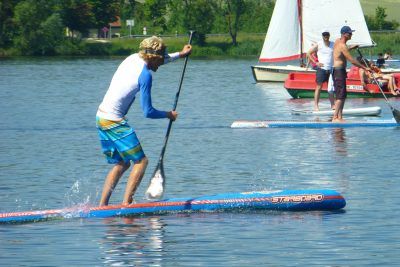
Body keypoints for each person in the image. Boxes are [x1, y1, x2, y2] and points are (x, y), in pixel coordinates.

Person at [96, 36, 192, 206]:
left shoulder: (133, 57)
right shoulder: (145, 76)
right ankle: (127, 203)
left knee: (122, 163)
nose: (160, 64)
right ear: (153, 58)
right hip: (114, 121)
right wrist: (168, 114)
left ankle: (102, 206)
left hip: (101, 117)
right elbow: (148, 112)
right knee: (141, 161)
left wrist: (181, 54)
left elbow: (162, 59)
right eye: (160, 60)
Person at [332, 26, 369, 122]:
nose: (351, 35)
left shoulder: (338, 41)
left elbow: (343, 50)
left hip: (339, 71)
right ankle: (335, 118)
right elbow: (352, 60)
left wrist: (351, 47)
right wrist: (364, 67)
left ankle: (340, 117)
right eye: (350, 33)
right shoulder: (342, 46)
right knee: (340, 95)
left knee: (342, 95)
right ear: (344, 34)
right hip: (338, 71)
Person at [307, 30, 334, 111]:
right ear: (322, 36)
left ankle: (333, 105)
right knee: (319, 87)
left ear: (329, 36)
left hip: (331, 69)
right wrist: (316, 62)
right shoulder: (319, 44)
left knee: (331, 88)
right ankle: (316, 106)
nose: (326, 37)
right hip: (321, 69)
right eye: (324, 35)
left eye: (327, 35)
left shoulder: (333, 44)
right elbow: (308, 53)